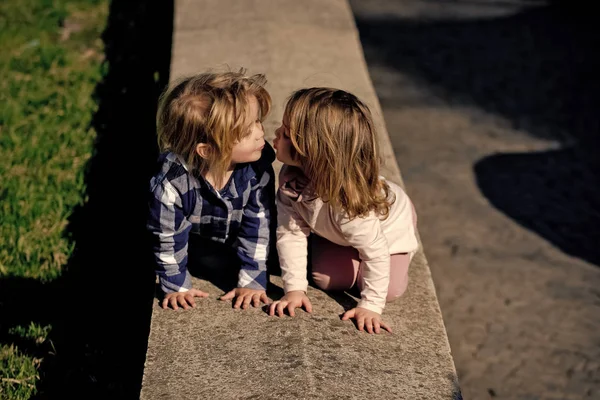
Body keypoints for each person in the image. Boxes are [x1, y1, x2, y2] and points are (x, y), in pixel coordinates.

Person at [269, 87, 419, 334]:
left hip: (389, 227)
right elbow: (291, 234)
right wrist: (294, 289)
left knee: (389, 290)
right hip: (339, 232)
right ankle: (349, 249)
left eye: (285, 134)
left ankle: (399, 254)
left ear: (313, 151)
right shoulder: (291, 180)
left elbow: (376, 254)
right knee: (325, 279)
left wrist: (370, 306)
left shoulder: (351, 207)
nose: (275, 133)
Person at [147, 69, 277, 311]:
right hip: (196, 243)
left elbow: (258, 224)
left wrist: (252, 279)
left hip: (236, 237)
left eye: (258, 121)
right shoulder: (172, 184)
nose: (261, 133)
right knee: (208, 262)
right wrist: (176, 286)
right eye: (247, 131)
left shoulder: (256, 170)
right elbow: (167, 237)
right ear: (207, 150)